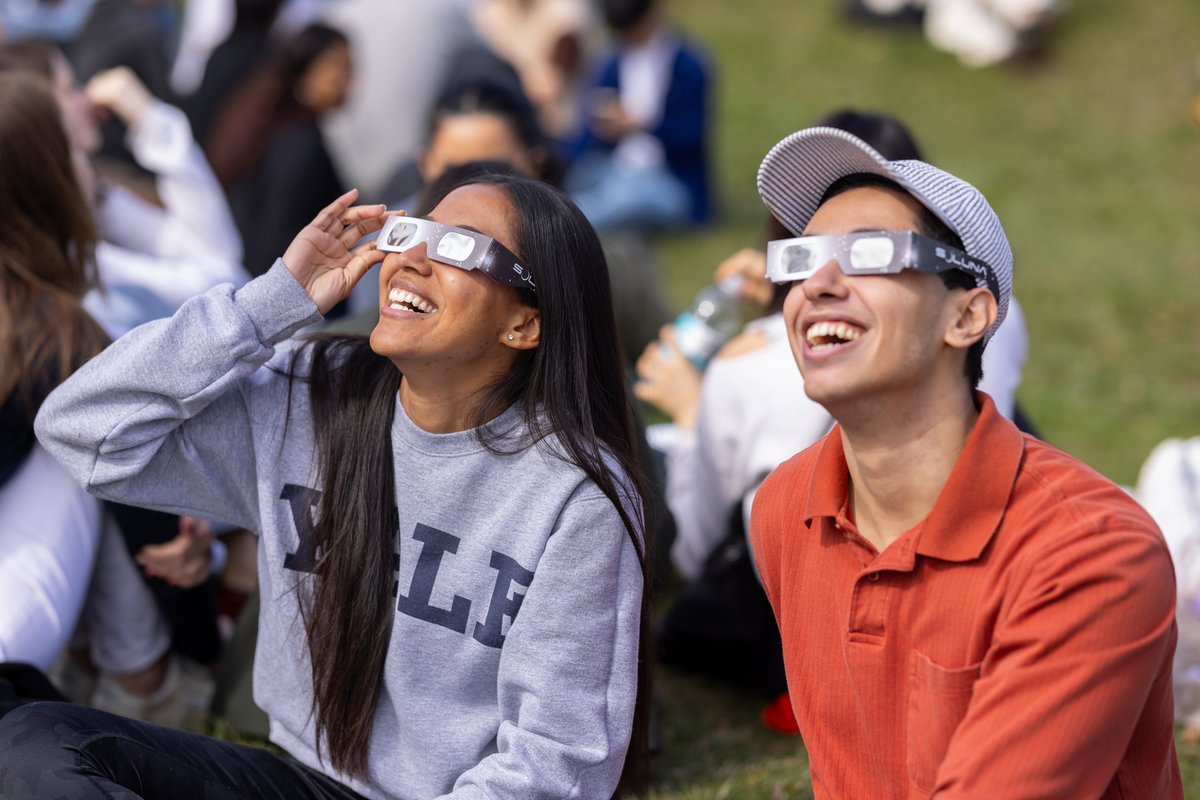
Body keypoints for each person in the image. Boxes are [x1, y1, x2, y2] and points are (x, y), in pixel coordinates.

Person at [13, 168, 650, 798]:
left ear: (525, 324)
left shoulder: (575, 495)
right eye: (410, 231)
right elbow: (81, 429)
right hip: (299, 779)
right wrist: (271, 302)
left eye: (458, 245)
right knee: (32, 742)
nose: (414, 256)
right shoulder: (312, 394)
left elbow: (557, 758)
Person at [749, 125, 1183, 797]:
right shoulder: (785, 506)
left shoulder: (1094, 554)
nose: (819, 284)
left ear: (968, 316)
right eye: (800, 258)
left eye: (869, 252)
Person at [0, 71, 173, 712]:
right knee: (81, 442)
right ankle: (149, 682)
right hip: (7, 652)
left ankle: (134, 674)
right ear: (44, 179)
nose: (92, 170)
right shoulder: (50, 327)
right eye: (76, 154)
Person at [205, 21, 352, 277]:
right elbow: (279, 237)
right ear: (307, 73)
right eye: (341, 69)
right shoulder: (299, 147)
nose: (349, 82)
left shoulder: (282, 129)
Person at [565, 0, 713, 233]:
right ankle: (567, 213)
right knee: (580, 176)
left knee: (626, 198)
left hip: (669, 178)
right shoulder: (614, 62)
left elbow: (690, 137)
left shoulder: (688, 66)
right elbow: (586, 137)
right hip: (616, 166)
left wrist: (641, 125)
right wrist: (603, 125)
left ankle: (569, 225)